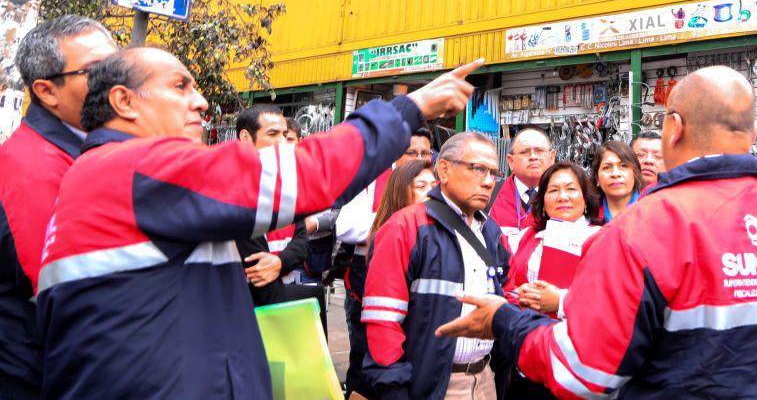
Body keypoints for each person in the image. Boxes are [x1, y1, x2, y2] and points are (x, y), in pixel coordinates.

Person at [35, 47, 480, 398]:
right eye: (179, 86)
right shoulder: (136, 167)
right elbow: (308, 176)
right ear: (124, 101)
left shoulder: (97, 174)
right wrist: (410, 108)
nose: (200, 101)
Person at [436, 66, 757, 398]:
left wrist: (505, 320)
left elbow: (582, 373)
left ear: (673, 128)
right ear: (751, 135)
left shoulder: (641, 230)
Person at [0, 16, 116, 399]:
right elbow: (70, 296)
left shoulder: (87, 150)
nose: (119, 80)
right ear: (47, 91)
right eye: (98, 71)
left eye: (119, 63)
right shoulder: (32, 169)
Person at [363, 132, 512, 400]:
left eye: (494, 173)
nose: (489, 181)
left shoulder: (490, 232)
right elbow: (382, 322)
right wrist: (394, 391)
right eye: (478, 169)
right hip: (432, 386)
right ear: (443, 170)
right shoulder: (405, 227)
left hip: (485, 379)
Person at [337, 126, 433, 398]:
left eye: (425, 152)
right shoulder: (371, 180)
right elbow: (345, 227)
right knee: (366, 359)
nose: (419, 158)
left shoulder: (435, 182)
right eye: (412, 152)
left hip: (417, 291)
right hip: (368, 282)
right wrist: (398, 221)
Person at [503, 161, 602, 399]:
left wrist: (559, 301)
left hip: (577, 361)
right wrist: (519, 295)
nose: (562, 196)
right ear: (543, 201)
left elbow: (608, 303)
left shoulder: (603, 240)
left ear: (585, 198)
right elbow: (506, 285)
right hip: (529, 354)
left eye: (571, 189)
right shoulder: (525, 238)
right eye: (554, 190)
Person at [232, 105, 326, 333]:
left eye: (285, 135)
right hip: (249, 309)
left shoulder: (288, 188)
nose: (282, 143)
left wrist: (280, 261)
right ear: (245, 138)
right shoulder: (235, 191)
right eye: (273, 134)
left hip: (283, 299)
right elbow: (257, 268)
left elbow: (301, 244)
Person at [489, 128, 555, 234]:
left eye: (539, 151)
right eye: (525, 152)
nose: (533, 157)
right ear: (511, 161)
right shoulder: (489, 195)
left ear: (552, 157)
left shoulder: (566, 199)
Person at [367, 159, 437, 244]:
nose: (431, 192)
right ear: (401, 193)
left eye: (434, 186)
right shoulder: (391, 232)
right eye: (421, 186)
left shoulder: (441, 226)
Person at [591, 140, 643, 222]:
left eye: (623, 166)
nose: (615, 174)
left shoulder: (651, 210)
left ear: (635, 173)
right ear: (597, 178)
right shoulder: (588, 214)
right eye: (607, 167)